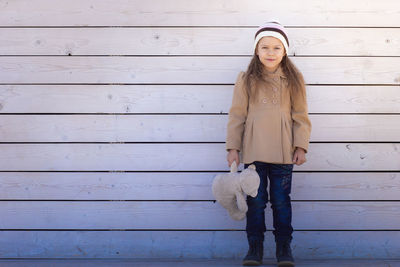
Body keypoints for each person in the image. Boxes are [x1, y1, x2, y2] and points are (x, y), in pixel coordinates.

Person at [225, 21, 311, 267]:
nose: (270, 53)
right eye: (265, 47)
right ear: (256, 50)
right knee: (256, 202)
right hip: (253, 154)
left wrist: (300, 146)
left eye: (276, 47)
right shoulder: (246, 79)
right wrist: (233, 148)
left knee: (282, 201)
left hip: (284, 154)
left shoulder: (293, 79)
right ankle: (255, 249)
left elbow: (301, 116)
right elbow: (237, 115)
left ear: (284, 51)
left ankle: (284, 249)